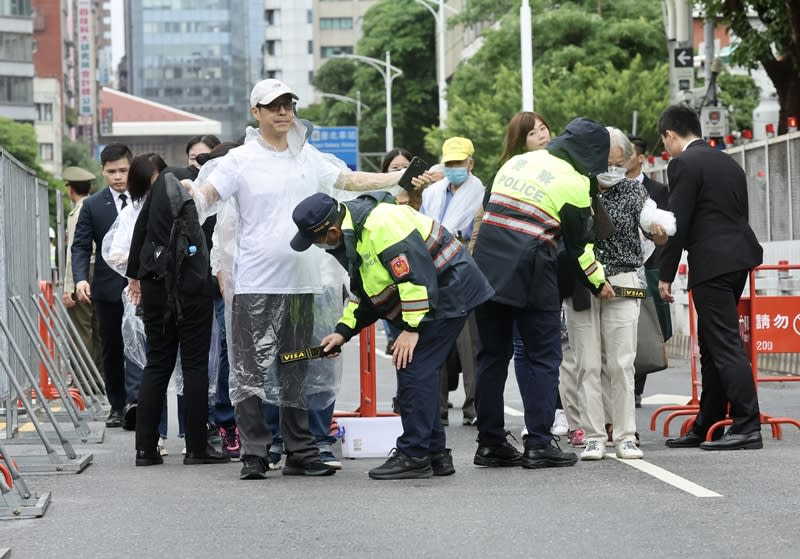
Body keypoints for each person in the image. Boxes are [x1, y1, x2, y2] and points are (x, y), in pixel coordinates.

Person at [187, 78, 416, 480]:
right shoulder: (238, 160)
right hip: (256, 283)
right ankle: (256, 451)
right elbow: (208, 197)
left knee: (296, 368)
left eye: (288, 105)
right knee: (250, 370)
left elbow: (348, 180)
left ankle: (300, 449)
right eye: (273, 106)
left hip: (303, 283)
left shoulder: (308, 157)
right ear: (255, 112)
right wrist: (190, 192)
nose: (283, 113)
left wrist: (396, 180)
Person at [293, 191, 494, 479]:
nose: (319, 247)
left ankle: (415, 454)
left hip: (448, 291)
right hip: (434, 294)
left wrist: (412, 329)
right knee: (415, 369)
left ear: (332, 230)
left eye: (317, 241)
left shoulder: (380, 226)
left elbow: (414, 279)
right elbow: (366, 292)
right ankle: (435, 454)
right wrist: (342, 331)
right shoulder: (355, 234)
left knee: (414, 370)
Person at [471, 118, 611, 470]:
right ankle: (539, 442)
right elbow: (580, 249)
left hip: (485, 267)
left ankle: (490, 444)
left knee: (491, 357)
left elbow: (489, 206)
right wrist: (598, 282)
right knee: (542, 358)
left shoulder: (514, 163)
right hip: (532, 271)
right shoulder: (575, 182)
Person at [658, 104, 763, 451]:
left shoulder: (683, 164)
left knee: (724, 343)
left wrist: (665, 275)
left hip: (712, 263)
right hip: (737, 260)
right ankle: (708, 423)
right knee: (712, 344)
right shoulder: (727, 161)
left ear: (671, 135)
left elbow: (678, 222)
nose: (666, 149)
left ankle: (747, 424)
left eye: (665, 142)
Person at [566, 128, 667, 461]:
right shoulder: (575, 188)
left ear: (626, 162)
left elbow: (653, 227)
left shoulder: (634, 193)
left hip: (623, 281)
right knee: (588, 363)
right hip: (582, 282)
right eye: (605, 163)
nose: (611, 170)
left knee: (622, 363)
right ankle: (595, 434)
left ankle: (625, 435)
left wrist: (659, 231)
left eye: (618, 163)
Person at [125, 152, 229, 467]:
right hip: (192, 286)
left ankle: (146, 449)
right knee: (195, 365)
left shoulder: (155, 195)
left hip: (157, 286)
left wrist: (135, 278)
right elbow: (214, 235)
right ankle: (197, 447)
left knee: (157, 364)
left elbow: (138, 238)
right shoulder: (192, 187)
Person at [420, 137, 484, 427]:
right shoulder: (432, 192)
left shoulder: (480, 191)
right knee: (435, 338)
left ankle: (474, 407)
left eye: (460, 163)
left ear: (470, 163)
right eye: (450, 163)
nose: (455, 168)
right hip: (431, 266)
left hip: (462, 265)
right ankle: (438, 407)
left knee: (468, 342)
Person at [72, 143, 136, 428]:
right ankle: (117, 404)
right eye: (112, 172)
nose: (118, 177)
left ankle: (138, 403)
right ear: (102, 171)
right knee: (112, 347)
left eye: (123, 170)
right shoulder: (92, 205)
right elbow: (81, 247)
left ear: (131, 168)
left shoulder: (144, 199)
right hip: (108, 291)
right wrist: (80, 277)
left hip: (144, 288)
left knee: (140, 345)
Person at [626, 135, 671, 407]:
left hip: (651, 267)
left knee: (651, 325)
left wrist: (665, 270)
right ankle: (627, 385)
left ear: (641, 157)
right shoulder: (608, 188)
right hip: (622, 268)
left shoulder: (658, 189)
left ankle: (637, 385)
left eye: (628, 153)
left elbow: (666, 230)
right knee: (626, 323)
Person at [62, 166, 103, 377]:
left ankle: (84, 378)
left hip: (83, 273)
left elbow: (75, 252)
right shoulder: (95, 205)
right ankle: (98, 376)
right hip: (98, 271)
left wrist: (69, 287)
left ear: (71, 189)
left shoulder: (79, 211)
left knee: (81, 328)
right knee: (97, 327)